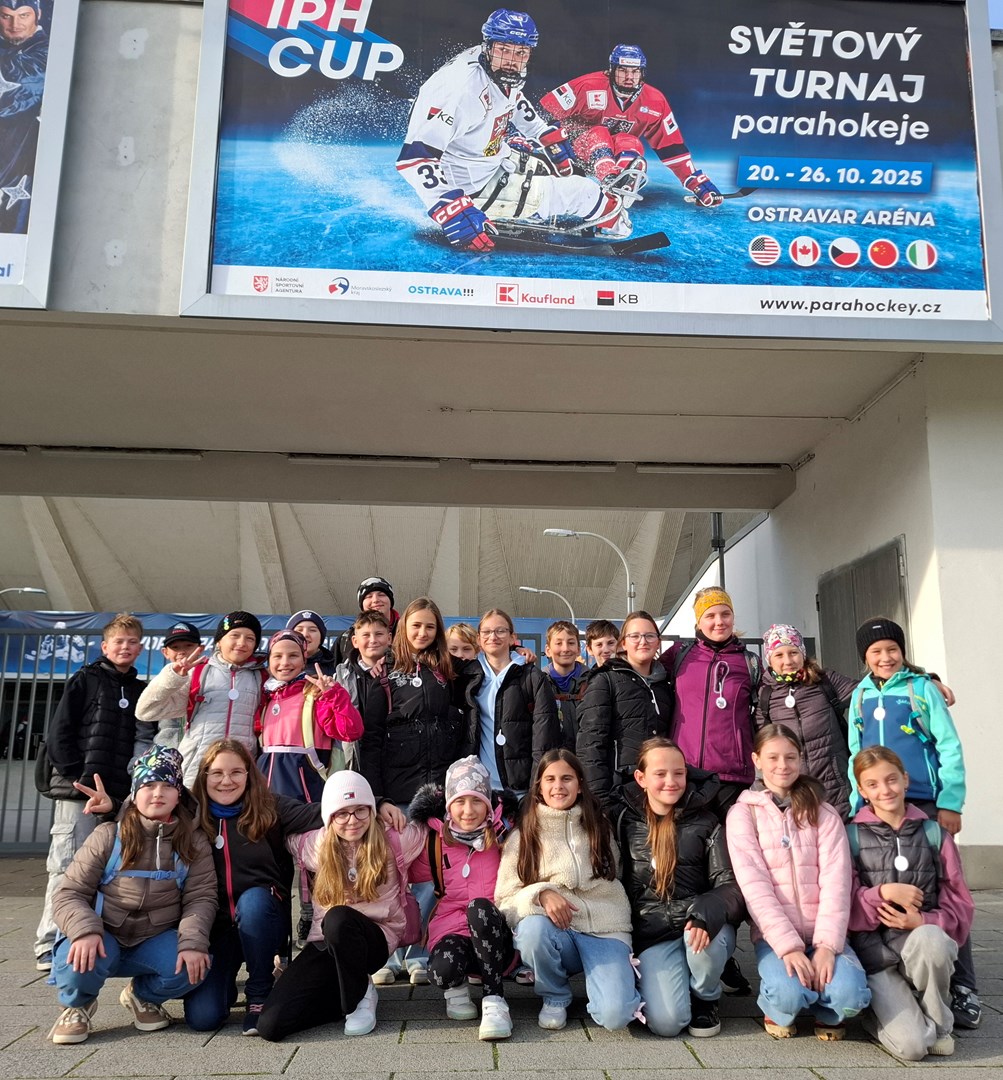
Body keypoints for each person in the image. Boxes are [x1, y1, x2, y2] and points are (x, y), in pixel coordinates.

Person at [396, 8, 631, 252]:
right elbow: (415, 158)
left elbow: (512, 99)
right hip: (472, 186)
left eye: (520, 52)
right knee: (585, 192)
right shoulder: (459, 90)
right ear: (488, 46)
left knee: (551, 166)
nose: (511, 60)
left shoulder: (496, 66)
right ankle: (612, 223)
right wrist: (450, 209)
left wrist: (542, 133)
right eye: (504, 49)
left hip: (490, 159)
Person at [848, 616, 978, 1028]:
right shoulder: (859, 694)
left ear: (903, 652)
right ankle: (900, 967)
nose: (885, 657)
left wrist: (951, 802)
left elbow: (949, 745)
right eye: (875, 652)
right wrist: (856, 803)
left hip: (924, 798)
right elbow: (854, 750)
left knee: (944, 889)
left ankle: (963, 986)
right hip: (877, 801)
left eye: (892, 649)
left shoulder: (921, 689)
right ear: (865, 657)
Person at [47, 746, 217, 1045]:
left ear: (179, 794)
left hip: (154, 938)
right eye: (149, 785)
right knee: (78, 961)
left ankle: (142, 996)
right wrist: (85, 930)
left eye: (167, 786)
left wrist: (193, 943)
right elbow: (69, 893)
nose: (158, 793)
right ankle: (78, 1006)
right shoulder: (108, 836)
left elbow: (200, 899)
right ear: (135, 794)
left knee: (193, 967)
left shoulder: (194, 842)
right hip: (103, 934)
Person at [181, 740, 342, 1034]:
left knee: (253, 901)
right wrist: (112, 808)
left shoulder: (270, 807)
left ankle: (259, 991)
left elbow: (324, 812)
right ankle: (225, 985)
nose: (226, 781)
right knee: (203, 1018)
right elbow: (148, 812)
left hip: (264, 919)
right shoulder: (192, 814)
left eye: (236, 772)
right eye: (217, 773)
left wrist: (378, 803)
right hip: (218, 931)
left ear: (249, 774)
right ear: (204, 776)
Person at [256, 771, 427, 1041]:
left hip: (375, 939)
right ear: (329, 817)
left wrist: (424, 803)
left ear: (371, 811)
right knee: (270, 1025)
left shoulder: (394, 839)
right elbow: (282, 827)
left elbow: (434, 828)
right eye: (342, 814)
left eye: (360, 810)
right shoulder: (316, 844)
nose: (352, 820)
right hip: (328, 943)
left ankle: (359, 996)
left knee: (338, 918)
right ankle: (343, 996)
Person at [726, 724, 871, 1040]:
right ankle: (777, 1005)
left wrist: (827, 946)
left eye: (790, 757)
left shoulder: (823, 812)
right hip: (776, 938)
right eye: (773, 757)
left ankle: (828, 1010)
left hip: (824, 932)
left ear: (801, 759)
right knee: (788, 995)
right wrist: (789, 948)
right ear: (757, 760)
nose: (782, 765)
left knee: (851, 996)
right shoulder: (743, 814)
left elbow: (837, 883)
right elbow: (755, 887)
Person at [34, 614, 152, 973]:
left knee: (108, 869)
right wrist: (77, 778)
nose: (125, 647)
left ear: (140, 647)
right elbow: (60, 733)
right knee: (67, 865)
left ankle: (93, 936)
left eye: (132, 642)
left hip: (118, 797)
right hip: (79, 794)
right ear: (105, 646)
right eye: (119, 641)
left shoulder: (140, 689)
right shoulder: (85, 679)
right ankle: (49, 942)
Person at [495, 749, 640, 1032]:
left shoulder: (599, 826)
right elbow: (505, 899)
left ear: (580, 785)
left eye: (567, 778)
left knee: (616, 1017)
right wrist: (541, 893)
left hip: (605, 928)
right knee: (531, 931)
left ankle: (620, 981)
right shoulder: (524, 835)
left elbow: (617, 874)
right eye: (550, 779)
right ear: (539, 787)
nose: (558, 786)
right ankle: (555, 995)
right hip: (558, 932)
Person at [362, 597, 466, 985]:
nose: (422, 632)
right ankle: (386, 953)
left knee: (428, 876)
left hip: (435, 793)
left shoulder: (447, 673)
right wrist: (379, 798)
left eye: (430, 626)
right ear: (403, 628)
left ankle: (418, 952)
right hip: (396, 795)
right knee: (390, 874)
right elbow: (370, 740)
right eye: (416, 625)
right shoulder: (384, 674)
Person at [848, 746, 974, 1060]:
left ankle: (939, 1024)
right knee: (913, 1047)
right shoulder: (850, 836)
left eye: (891, 779)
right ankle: (880, 1016)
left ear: (905, 779)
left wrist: (923, 921)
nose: (885, 790)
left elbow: (960, 903)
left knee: (932, 939)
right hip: (878, 959)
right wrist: (883, 893)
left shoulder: (934, 834)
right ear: (862, 791)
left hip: (920, 949)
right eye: (873, 784)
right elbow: (843, 905)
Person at [618, 738, 744, 1038]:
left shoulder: (708, 820)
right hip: (654, 934)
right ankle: (679, 977)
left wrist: (704, 913)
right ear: (641, 778)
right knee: (666, 1024)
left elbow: (730, 884)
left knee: (700, 944)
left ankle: (706, 996)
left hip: (699, 926)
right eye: (660, 774)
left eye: (678, 773)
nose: (671, 781)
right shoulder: (624, 821)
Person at [409, 757, 519, 1040]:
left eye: (476, 801)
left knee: (478, 908)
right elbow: (399, 867)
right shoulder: (434, 840)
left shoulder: (504, 835)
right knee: (440, 972)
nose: (468, 811)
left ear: (488, 804)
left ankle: (494, 999)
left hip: (496, 933)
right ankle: (456, 988)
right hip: (452, 929)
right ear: (448, 805)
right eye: (459, 801)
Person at [539, 44, 722, 208]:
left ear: (642, 73)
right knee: (599, 132)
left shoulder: (655, 101)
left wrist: (696, 181)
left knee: (630, 142)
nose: (629, 77)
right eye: (623, 70)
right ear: (612, 70)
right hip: (572, 153)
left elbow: (671, 147)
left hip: (613, 155)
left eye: (635, 71)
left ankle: (620, 187)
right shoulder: (587, 85)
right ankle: (610, 180)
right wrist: (552, 146)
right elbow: (543, 114)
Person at [136, 611, 267, 786]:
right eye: (235, 635)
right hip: (195, 771)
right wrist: (173, 676)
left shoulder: (262, 678)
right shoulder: (198, 673)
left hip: (240, 773)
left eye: (250, 638)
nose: (242, 643)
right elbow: (146, 711)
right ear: (219, 641)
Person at [659, 588, 760, 814]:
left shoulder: (749, 662)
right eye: (710, 616)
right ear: (698, 622)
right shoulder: (679, 654)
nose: (719, 622)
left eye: (725, 614)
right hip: (684, 771)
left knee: (730, 835)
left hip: (732, 775)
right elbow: (645, 677)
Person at [756, 624, 856, 820]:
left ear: (802, 653)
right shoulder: (764, 695)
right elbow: (762, 742)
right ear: (769, 659)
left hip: (836, 790)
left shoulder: (825, 681)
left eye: (793, 652)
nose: (788, 661)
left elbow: (867, 692)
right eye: (779, 655)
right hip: (792, 792)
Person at [577, 611, 672, 816]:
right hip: (619, 795)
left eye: (649, 636)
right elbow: (590, 745)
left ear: (658, 642)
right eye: (634, 636)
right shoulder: (605, 681)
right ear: (623, 643)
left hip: (660, 793)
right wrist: (600, 800)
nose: (642, 641)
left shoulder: (665, 685)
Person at [462, 608, 561, 797]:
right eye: (487, 632)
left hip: (521, 789)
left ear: (512, 637)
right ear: (478, 639)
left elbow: (545, 737)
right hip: (478, 788)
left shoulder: (532, 677)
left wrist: (536, 787)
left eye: (500, 631)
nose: (493, 636)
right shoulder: (467, 676)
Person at [257, 630, 363, 802]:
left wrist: (334, 694)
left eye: (293, 655)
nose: (285, 662)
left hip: (307, 798)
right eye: (278, 656)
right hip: (265, 797)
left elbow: (351, 732)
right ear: (269, 660)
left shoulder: (315, 695)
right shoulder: (265, 698)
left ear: (303, 660)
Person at [0, 0, 47, 234]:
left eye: (23, 15)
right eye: (6, 16)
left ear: (38, 14)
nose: (14, 24)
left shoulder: (46, 51)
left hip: (17, 164)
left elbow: (14, 89)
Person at [150, 622, 204, 750]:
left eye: (188, 645)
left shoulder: (210, 678)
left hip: (200, 752)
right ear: (165, 652)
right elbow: (146, 726)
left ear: (200, 649)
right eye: (175, 647)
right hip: (166, 753)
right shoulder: (161, 681)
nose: (182, 652)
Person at [330, 578, 401, 666]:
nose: (375, 600)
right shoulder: (345, 639)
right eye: (369, 596)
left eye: (381, 595)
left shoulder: (407, 633)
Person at [542, 620, 587, 750]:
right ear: (548, 650)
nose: (565, 649)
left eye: (571, 643)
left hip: (586, 755)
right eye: (559, 643)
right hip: (551, 756)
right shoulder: (539, 683)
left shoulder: (593, 681)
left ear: (578, 649)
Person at [285, 609, 335, 676]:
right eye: (299, 630)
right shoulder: (280, 666)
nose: (305, 634)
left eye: (312, 630)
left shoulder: (336, 666)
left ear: (321, 637)